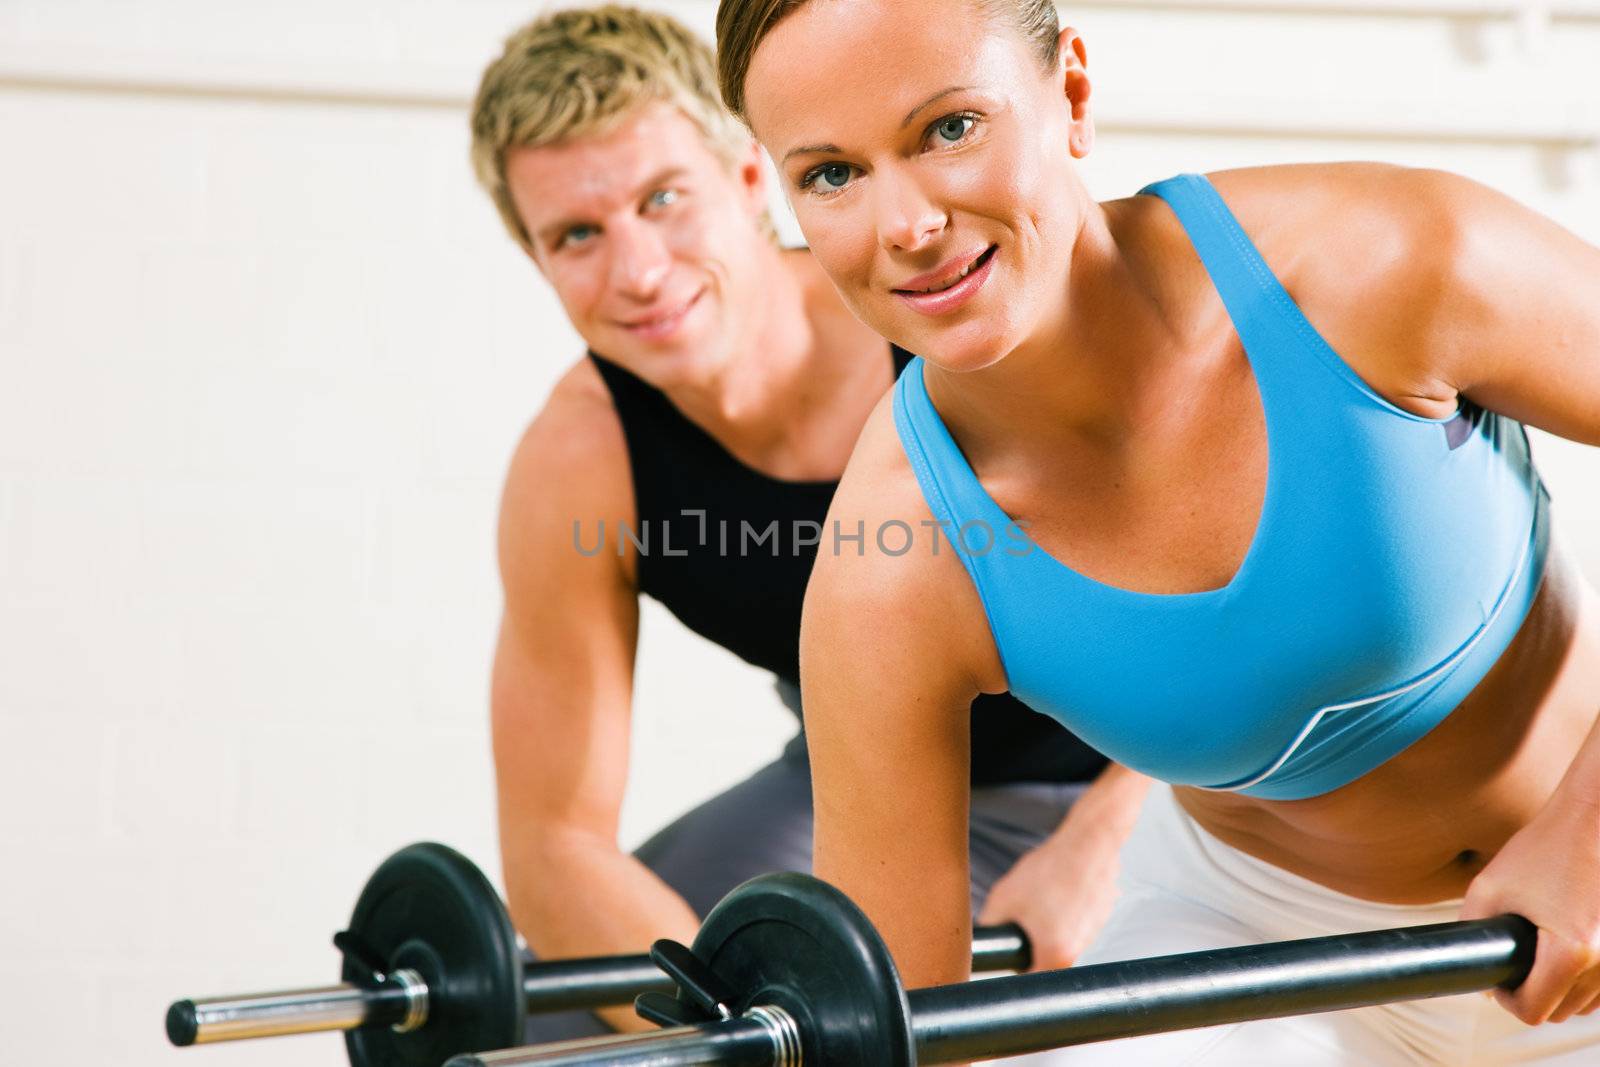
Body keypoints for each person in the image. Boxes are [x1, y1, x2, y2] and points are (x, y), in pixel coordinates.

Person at [714, 0, 1600, 1062]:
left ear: (1071, 93)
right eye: (831, 174)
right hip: (1259, 953)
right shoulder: (895, 567)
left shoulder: (1384, 262)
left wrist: (1588, 834)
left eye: (948, 128)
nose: (905, 225)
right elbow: (896, 1016)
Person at [467, 6, 1146, 1042]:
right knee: (554, 1024)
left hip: (1165, 766)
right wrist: (734, 1029)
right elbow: (557, 845)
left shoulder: (945, 307)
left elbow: (1252, 612)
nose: (640, 270)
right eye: (578, 236)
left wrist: (1108, 838)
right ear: (535, 259)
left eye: (664, 199)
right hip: (873, 790)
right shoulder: (580, 462)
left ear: (750, 179)